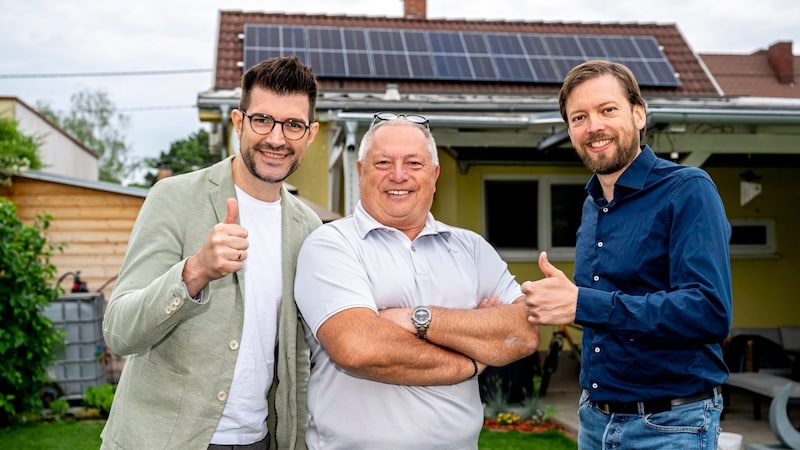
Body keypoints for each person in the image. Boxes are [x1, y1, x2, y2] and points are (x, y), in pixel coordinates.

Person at [101, 56, 321, 450]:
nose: (276, 138)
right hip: (161, 441)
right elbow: (119, 331)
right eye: (262, 120)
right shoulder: (174, 199)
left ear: (310, 134)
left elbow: (298, 358)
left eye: (293, 125)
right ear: (238, 122)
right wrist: (194, 272)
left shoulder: (309, 230)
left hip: (258, 440)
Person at [294, 113, 540, 449]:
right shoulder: (331, 244)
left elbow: (524, 332)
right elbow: (359, 348)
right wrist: (470, 359)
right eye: (383, 162)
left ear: (434, 174)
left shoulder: (471, 248)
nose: (399, 175)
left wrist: (417, 319)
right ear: (361, 170)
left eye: (413, 162)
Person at [522, 60, 733, 449]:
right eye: (579, 117)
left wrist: (585, 303)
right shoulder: (592, 205)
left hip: (670, 425)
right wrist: (564, 305)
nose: (593, 127)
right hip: (595, 418)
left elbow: (709, 312)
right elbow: (612, 313)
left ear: (638, 114)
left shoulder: (687, 190)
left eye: (607, 110)